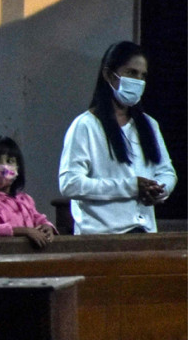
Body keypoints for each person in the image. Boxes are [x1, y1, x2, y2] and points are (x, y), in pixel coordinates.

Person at [59, 41, 177, 234]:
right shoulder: (85, 125)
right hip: (102, 238)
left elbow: (166, 171)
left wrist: (159, 190)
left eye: (143, 76)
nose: (138, 81)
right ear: (108, 75)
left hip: (144, 232)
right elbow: (70, 184)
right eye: (131, 73)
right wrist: (130, 186)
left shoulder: (149, 125)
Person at [0, 136, 57, 248]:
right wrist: (25, 231)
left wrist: (46, 226)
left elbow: (38, 218)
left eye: (10, 161)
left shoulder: (25, 199)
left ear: (18, 168)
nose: (3, 167)